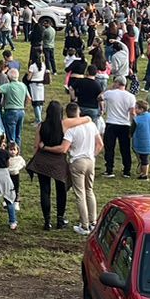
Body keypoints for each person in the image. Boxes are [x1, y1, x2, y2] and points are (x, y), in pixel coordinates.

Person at [65, 100, 101, 235]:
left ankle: (84, 225)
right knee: (89, 191)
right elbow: (100, 143)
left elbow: (65, 147)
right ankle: (93, 222)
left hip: (77, 161)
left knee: (80, 194)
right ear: (78, 112)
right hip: (90, 160)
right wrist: (93, 155)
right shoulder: (90, 125)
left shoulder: (71, 129)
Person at [101, 75, 136, 178]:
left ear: (116, 83)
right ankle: (127, 170)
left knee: (109, 148)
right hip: (125, 124)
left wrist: (109, 89)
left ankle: (109, 169)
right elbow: (132, 112)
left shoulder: (109, 93)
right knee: (125, 148)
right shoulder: (131, 96)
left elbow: (100, 97)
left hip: (111, 123)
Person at [132, 98, 150, 180]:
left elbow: (132, 130)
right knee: (145, 157)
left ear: (141, 109)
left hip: (142, 141)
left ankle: (144, 175)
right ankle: (143, 171)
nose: (135, 109)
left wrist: (130, 135)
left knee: (144, 158)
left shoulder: (137, 119)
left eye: (136, 108)